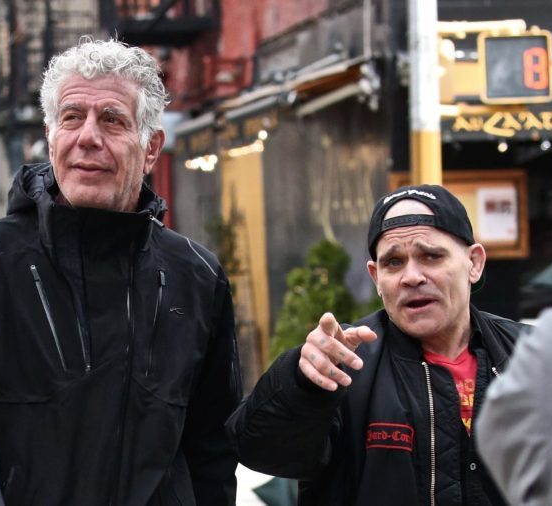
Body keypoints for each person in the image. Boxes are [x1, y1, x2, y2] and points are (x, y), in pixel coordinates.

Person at [0, 37, 241, 506]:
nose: (88, 136)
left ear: (151, 148)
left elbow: (212, 452)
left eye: (112, 120)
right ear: (51, 136)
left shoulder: (196, 278)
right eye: (72, 117)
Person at [226, 184, 529, 505]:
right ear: (375, 277)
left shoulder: (530, 355)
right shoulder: (344, 362)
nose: (412, 277)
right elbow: (259, 451)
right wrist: (301, 383)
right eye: (394, 262)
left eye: (431, 256)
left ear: (474, 263)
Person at [476, 289, 552, 505]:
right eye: (395, 262)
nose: (415, 278)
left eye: (433, 262)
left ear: (475, 269)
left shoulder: (543, 341)